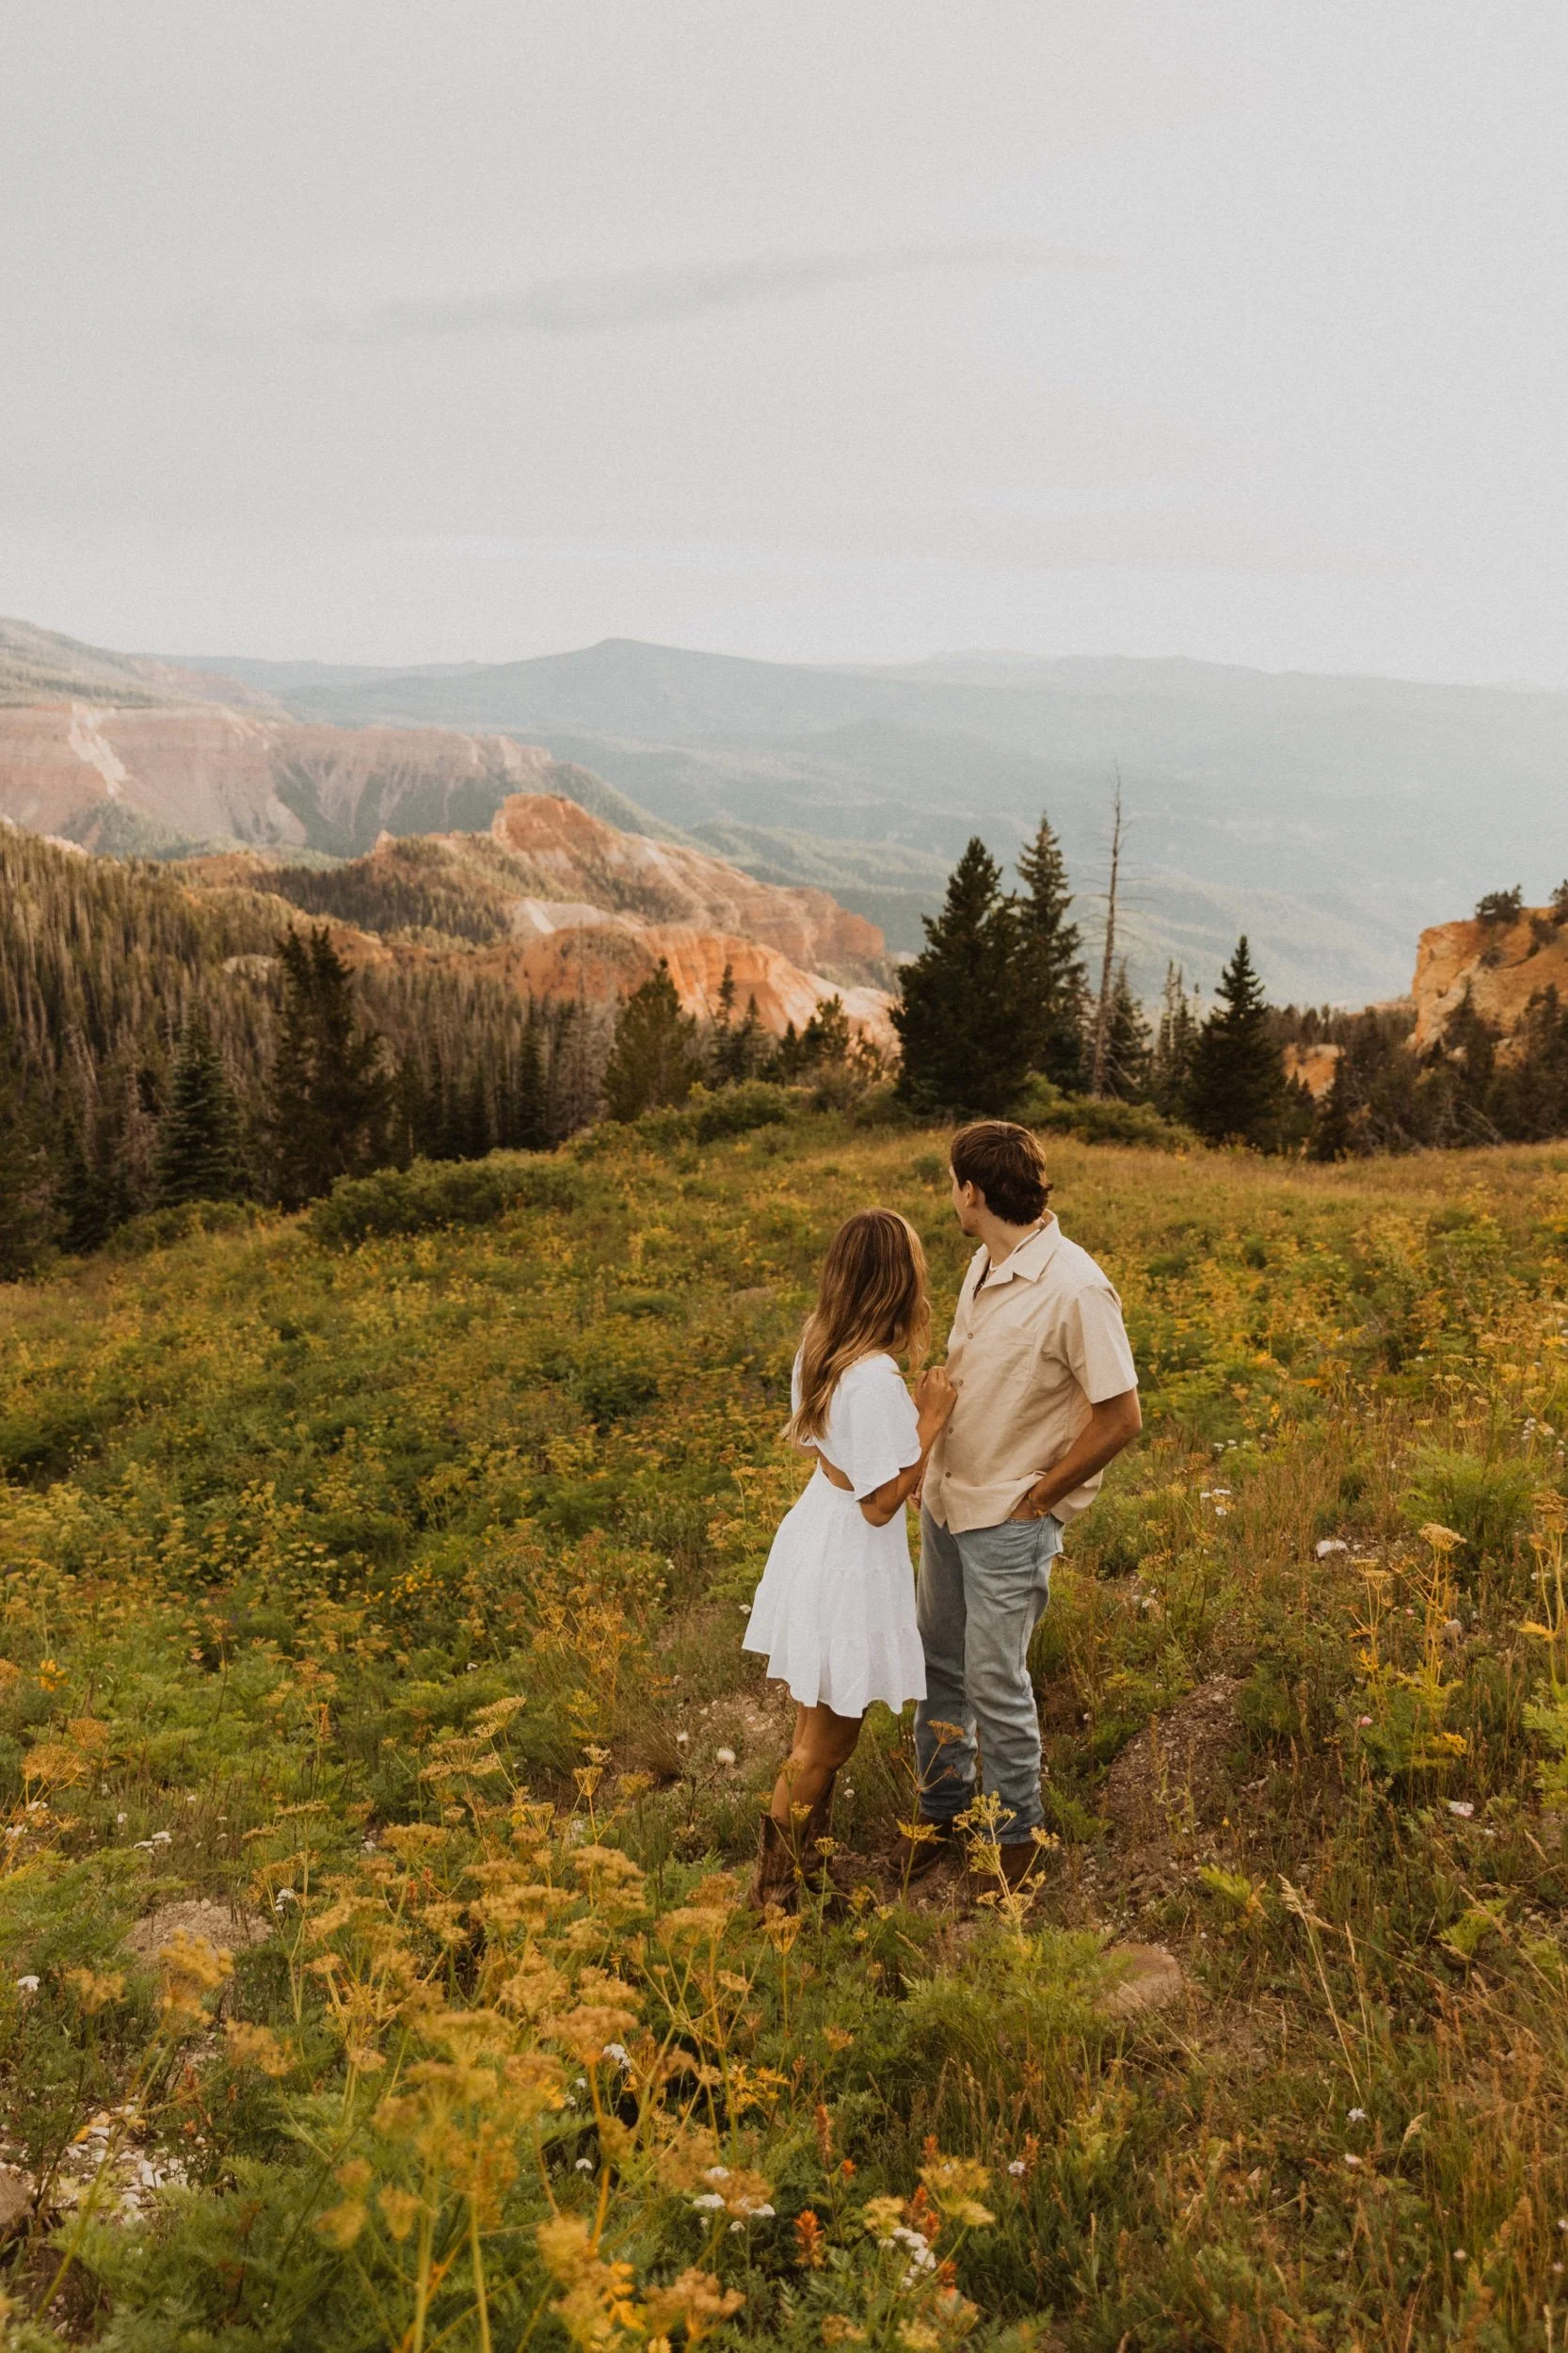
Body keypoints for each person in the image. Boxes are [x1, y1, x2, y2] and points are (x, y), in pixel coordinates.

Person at [903, 1121, 1140, 1891]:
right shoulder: (985, 1262)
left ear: (972, 1192)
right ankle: (942, 1813)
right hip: (947, 1502)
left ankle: (1016, 1839)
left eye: (952, 1184)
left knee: (994, 1679)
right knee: (939, 1665)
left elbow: (1121, 1417)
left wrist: (1041, 1497)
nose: (951, 1197)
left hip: (1008, 1517)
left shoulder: (1076, 1287)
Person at [744, 1208, 957, 1910]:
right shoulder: (873, 1376)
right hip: (850, 1560)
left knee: (811, 1735)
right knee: (825, 1747)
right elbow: (880, 1503)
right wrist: (928, 1421)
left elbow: (820, 1449)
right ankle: (778, 1893)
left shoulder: (820, 1343)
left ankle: (802, 1876)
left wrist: (890, 1452)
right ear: (898, 1282)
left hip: (819, 1533)